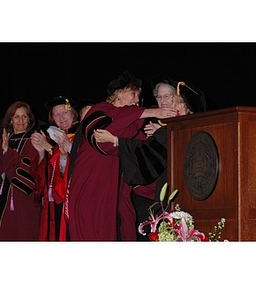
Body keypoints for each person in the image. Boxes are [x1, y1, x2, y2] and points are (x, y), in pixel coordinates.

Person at [67, 70, 178, 241]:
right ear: (118, 94)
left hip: (117, 196)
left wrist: (157, 135)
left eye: (138, 96)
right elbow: (102, 141)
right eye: (133, 94)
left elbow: (139, 151)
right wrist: (149, 112)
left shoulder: (133, 123)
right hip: (91, 192)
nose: (137, 100)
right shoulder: (99, 110)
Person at [94, 79, 208, 240]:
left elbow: (148, 155)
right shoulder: (168, 125)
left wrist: (116, 140)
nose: (164, 102)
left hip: (173, 196)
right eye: (159, 97)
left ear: (184, 104)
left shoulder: (178, 128)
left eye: (170, 98)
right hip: (152, 198)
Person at [31, 96, 79, 241]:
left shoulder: (81, 135)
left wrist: (50, 149)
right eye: (56, 114)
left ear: (73, 114)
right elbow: (41, 176)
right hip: (53, 204)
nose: (61, 117)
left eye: (65, 113)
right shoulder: (52, 137)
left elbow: (76, 167)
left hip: (73, 201)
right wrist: (41, 152)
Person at [0, 101, 41, 241]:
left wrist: (7, 152)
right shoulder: (4, 141)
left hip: (23, 201)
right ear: (10, 119)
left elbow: (26, 178)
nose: (21, 120)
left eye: (24, 116)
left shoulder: (34, 141)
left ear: (29, 119)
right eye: (17, 117)